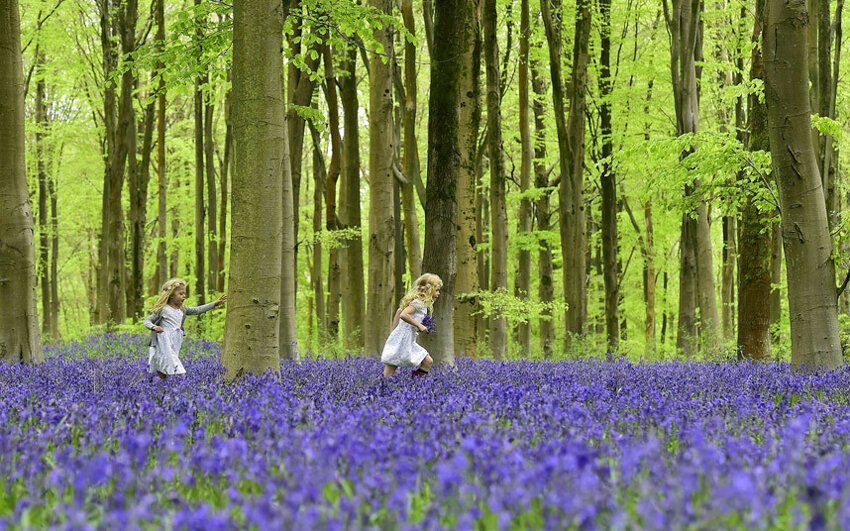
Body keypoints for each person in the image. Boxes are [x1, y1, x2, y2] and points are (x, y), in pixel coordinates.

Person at [143, 278, 226, 379]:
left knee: (166, 362)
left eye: (184, 294)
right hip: (164, 339)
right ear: (171, 295)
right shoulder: (163, 309)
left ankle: (164, 386)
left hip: (176, 339)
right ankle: (180, 380)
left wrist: (214, 304)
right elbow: (147, 321)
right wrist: (154, 327)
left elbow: (197, 310)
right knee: (173, 363)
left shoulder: (183, 309)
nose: (184, 296)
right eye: (181, 294)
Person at [381, 273, 442, 378]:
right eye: (437, 290)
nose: (439, 293)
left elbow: (399, 311)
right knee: (391, 367)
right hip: (403, 339)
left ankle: (416, 386)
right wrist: (420, 326)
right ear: (429, 289)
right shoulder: (418, 303)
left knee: (428, 361)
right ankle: (382, 388)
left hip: (406, 339)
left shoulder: (421, 304)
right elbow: (404, 315)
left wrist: (393, 334)